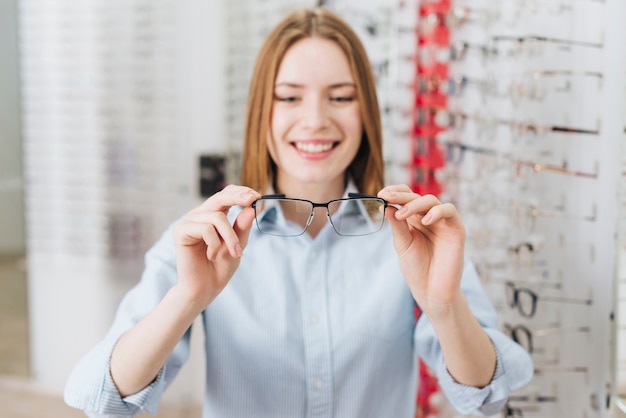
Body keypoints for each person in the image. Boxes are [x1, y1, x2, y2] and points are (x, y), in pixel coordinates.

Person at [64, 7, 533, 418]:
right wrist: (186, 297)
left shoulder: (414, 237)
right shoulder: (204, 241)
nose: (314, 119)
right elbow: (103, 399)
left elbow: (487, 397)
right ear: (261, 113)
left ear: (366, 111)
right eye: (289, 97)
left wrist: (444, 307)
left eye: (341, 97)